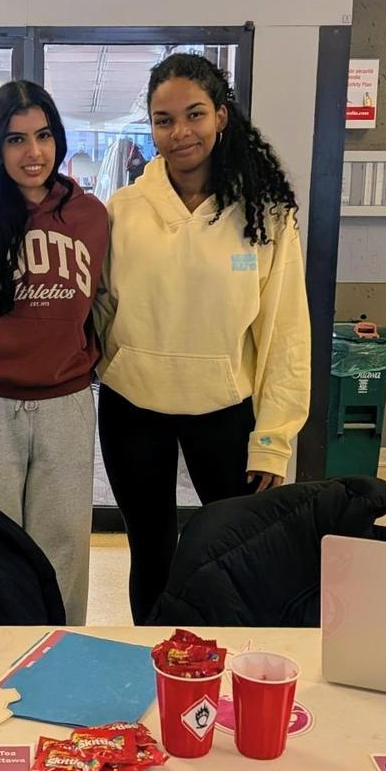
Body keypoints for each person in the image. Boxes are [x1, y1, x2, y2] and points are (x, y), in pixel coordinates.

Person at [93, 53, 309, 624]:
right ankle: (156, 660)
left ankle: (225, 660)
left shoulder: (266, 213)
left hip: (225, 409)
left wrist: (275, 437)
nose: (180, 132)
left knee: (234, 550)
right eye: (164, 120)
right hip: (133, 406)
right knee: (152, 553)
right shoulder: (122, 212)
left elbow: (285, 331)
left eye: (194, 114)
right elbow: (101, 309)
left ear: (221, 116)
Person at [0, 81, 108, 622]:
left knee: (64, 542)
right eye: (15, 140)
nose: (32, 152)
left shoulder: (91, 217)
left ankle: (60, 649)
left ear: (57, 140)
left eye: (42, 136)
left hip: (66, 399)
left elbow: (100, 300)